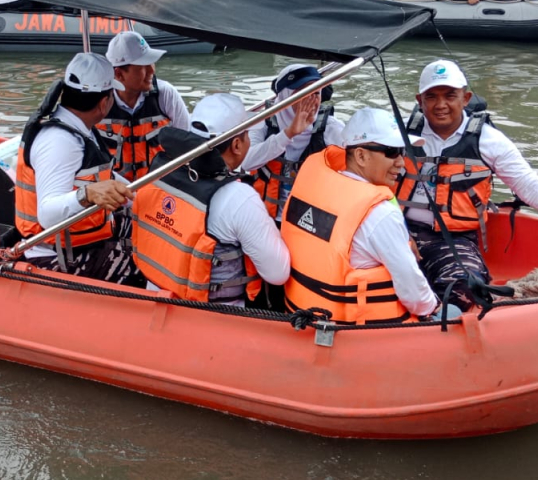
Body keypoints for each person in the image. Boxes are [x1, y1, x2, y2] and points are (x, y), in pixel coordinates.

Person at [395, 60, 538, 307]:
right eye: (431, 97)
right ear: (419, 100)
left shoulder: (489, 140)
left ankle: (439, 316)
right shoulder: (396, 133)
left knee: (465, 290)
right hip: (396, 229)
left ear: (466, 98)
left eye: (450, 96)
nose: (440, 105)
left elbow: (527, 184)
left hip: (452, 239)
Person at [281, 108, 441, 322]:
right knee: (451, 312)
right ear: (361, 156)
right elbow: (415, 295)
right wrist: (434, 307)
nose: (401, 162)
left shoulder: (318, 188)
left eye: (402, 152)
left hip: (299, 314)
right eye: (391, 152)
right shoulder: (379, 214)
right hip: (354, 330)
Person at [130, 94, 290, 306]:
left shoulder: (159, 172)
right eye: (247, 135)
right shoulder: (239, 198)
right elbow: (278, 273)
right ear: (236, 144)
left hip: (155, 300)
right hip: (211, 316)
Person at [14, 52, 140, 284]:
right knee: (145, 265)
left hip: (82, 239)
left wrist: (142, 198)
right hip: (57, 256)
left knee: (151, 230)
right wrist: (87, 194)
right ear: (104, 103)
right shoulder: (60, 141)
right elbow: (47, 215)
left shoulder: (81, 128)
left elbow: (101, 175)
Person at [245, 64, 344, 221]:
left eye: (316, 93)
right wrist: (288, 133)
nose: (311, 100)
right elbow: (247, 163)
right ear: (285, 96)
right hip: (267, 217)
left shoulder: (331, 128)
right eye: (303, 93)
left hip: (311, 220)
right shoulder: (264, 123)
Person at [96, 31, 190, 182]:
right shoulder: (97, 102)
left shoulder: (165, 94)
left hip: (158, 188)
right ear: (118, 74)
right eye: (143, 66)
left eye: (151, 63)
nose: (152, 71)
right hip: (113, 190)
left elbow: (186, 146)